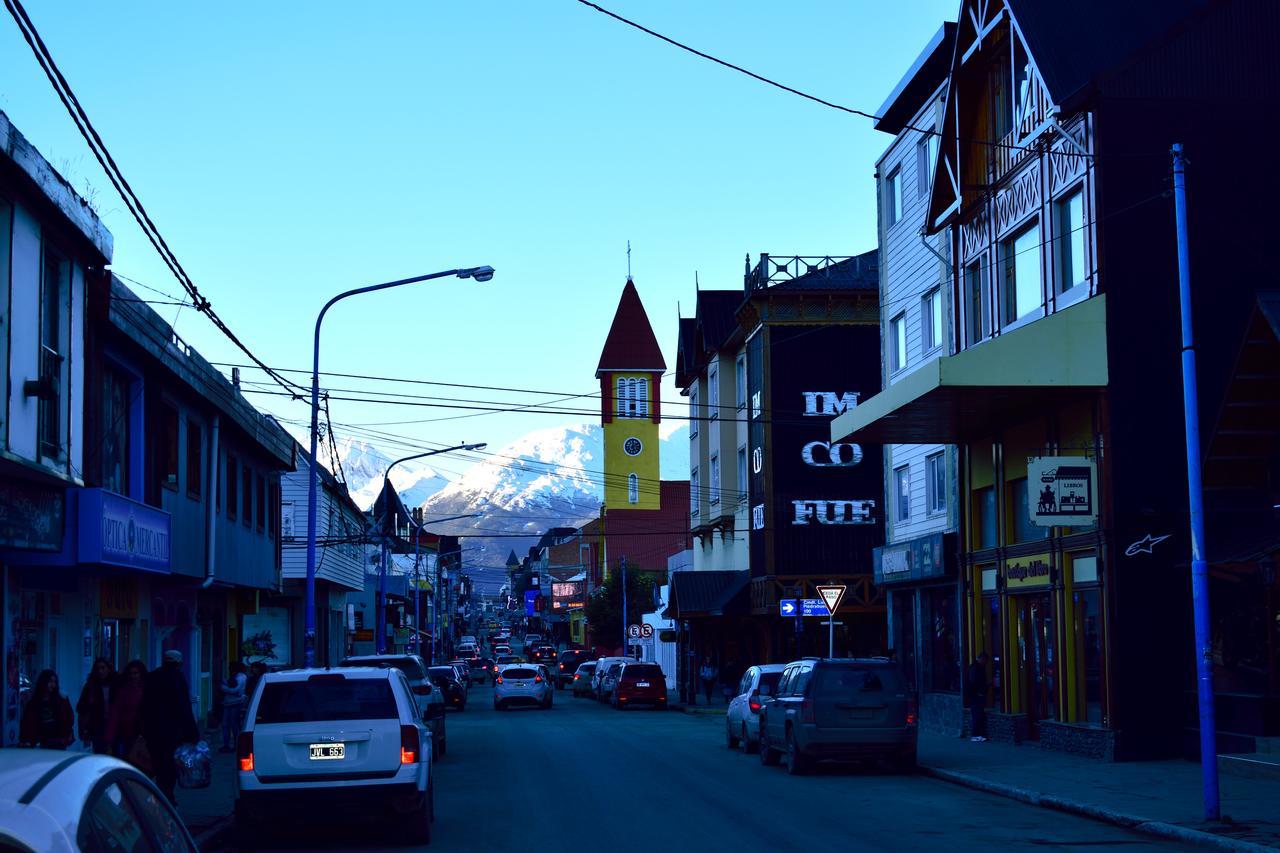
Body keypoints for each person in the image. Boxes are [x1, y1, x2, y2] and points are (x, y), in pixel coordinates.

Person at [141, 650, 199, 804]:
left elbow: (144, 706)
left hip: (154, 732)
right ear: (178, 663)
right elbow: (183, 707)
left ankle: (162, 796)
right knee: (170, 767)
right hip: (172, 733)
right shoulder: (177, 678)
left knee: (159, 766)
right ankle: (166, 798)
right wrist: (193, 734)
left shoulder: (152, 677)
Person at [19, 669, 75, 749]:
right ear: (43, 682)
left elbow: (69, 719)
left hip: (57, 742)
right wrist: (24, 740)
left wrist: (65, 736)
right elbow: (26, 723)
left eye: (54, 682)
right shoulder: (34, 703)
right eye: (50, 681)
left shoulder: (61, 701)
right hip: (40, 743)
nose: (53, 685)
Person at [106, 660, 147, 761]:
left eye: (136, 673)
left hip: (144, 730)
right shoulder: (124, 690)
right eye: (131, 673)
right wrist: (109, 736)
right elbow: (116, 713)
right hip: (127, 730)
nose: (133, 676)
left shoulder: (146, 688)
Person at [76, 658, 117, 754]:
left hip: (115, 725)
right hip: (98, 726)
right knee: (100, 753)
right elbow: (82, 708)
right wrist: (84, 730)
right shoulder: (91, 686)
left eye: (103, 668)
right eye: (98, 668)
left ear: (109, 669)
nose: (100, 671)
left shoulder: (116, 684)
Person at [218, 662, 247, 752]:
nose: (229, 668)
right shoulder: (235, 676)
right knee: (225, 725)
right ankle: (226, 745)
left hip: (236, 703)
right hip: (228, 703)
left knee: (234, 725)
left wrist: (224, 687)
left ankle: (236, 745)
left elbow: (235, 690)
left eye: (230, 667)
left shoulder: (241, 677)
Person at [966, 651, 990, 743]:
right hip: (976, 696)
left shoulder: (975, 667)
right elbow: (973, 682)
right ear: (982, 659)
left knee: (978, 715)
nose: (985, 663)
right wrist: (978, 692)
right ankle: (975, 735)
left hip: (976, 695)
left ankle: (977, 735)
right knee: (977, 715)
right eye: (985, 661)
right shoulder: (975, 668)